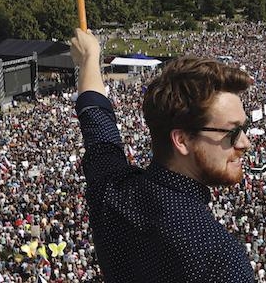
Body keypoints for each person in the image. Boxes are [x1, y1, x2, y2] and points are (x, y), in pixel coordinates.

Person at [70, 28, 255, 282]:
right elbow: (96, 119)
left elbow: (97, 123)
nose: (245, 142)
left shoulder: (113, 192)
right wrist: (90, 57)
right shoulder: (221, 257)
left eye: (244, 128)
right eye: (232, 132)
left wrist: (89, 57)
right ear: (182, 140)